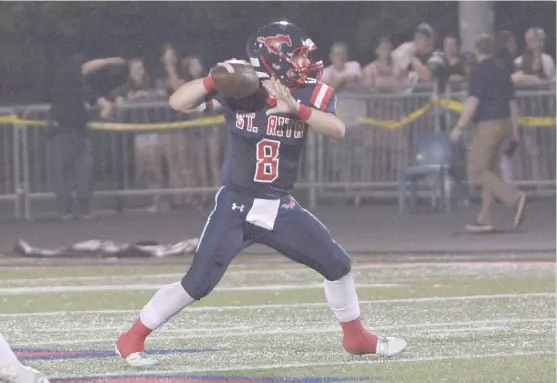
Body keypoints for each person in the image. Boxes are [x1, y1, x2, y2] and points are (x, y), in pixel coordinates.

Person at [115, 21, 407, 368]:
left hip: (279, 205)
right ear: (274, 59)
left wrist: (297, 110)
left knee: (338, 265)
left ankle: (356, 338)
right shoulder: (241, 88)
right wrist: (214, 80)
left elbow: (338, 130)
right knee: (198, 284)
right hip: (236, 205)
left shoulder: (312, 93)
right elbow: (179, 102)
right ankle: (131, 338)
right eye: (296, 55)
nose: (305, 62)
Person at [450, 34, 527, 233]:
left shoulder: (478, 71)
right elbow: (512, 102)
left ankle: (514, 198)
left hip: (488, 124)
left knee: (477, 170)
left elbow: (473, 101)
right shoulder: (503, 69)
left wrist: (459, 127)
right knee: (490, 170)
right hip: (505, 123)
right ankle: (485, 217)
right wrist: (515, 132)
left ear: (477, 50)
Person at [48, 53, 126, 219]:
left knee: (85, 172)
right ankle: (65, 210)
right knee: (62, 175)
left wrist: (106, 110)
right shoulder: (65, 81)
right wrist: (109, 61)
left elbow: (102, 103)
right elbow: (87, 68)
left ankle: (83, 209)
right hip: (63, 133)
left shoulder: (84, 88)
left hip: (81, 134)